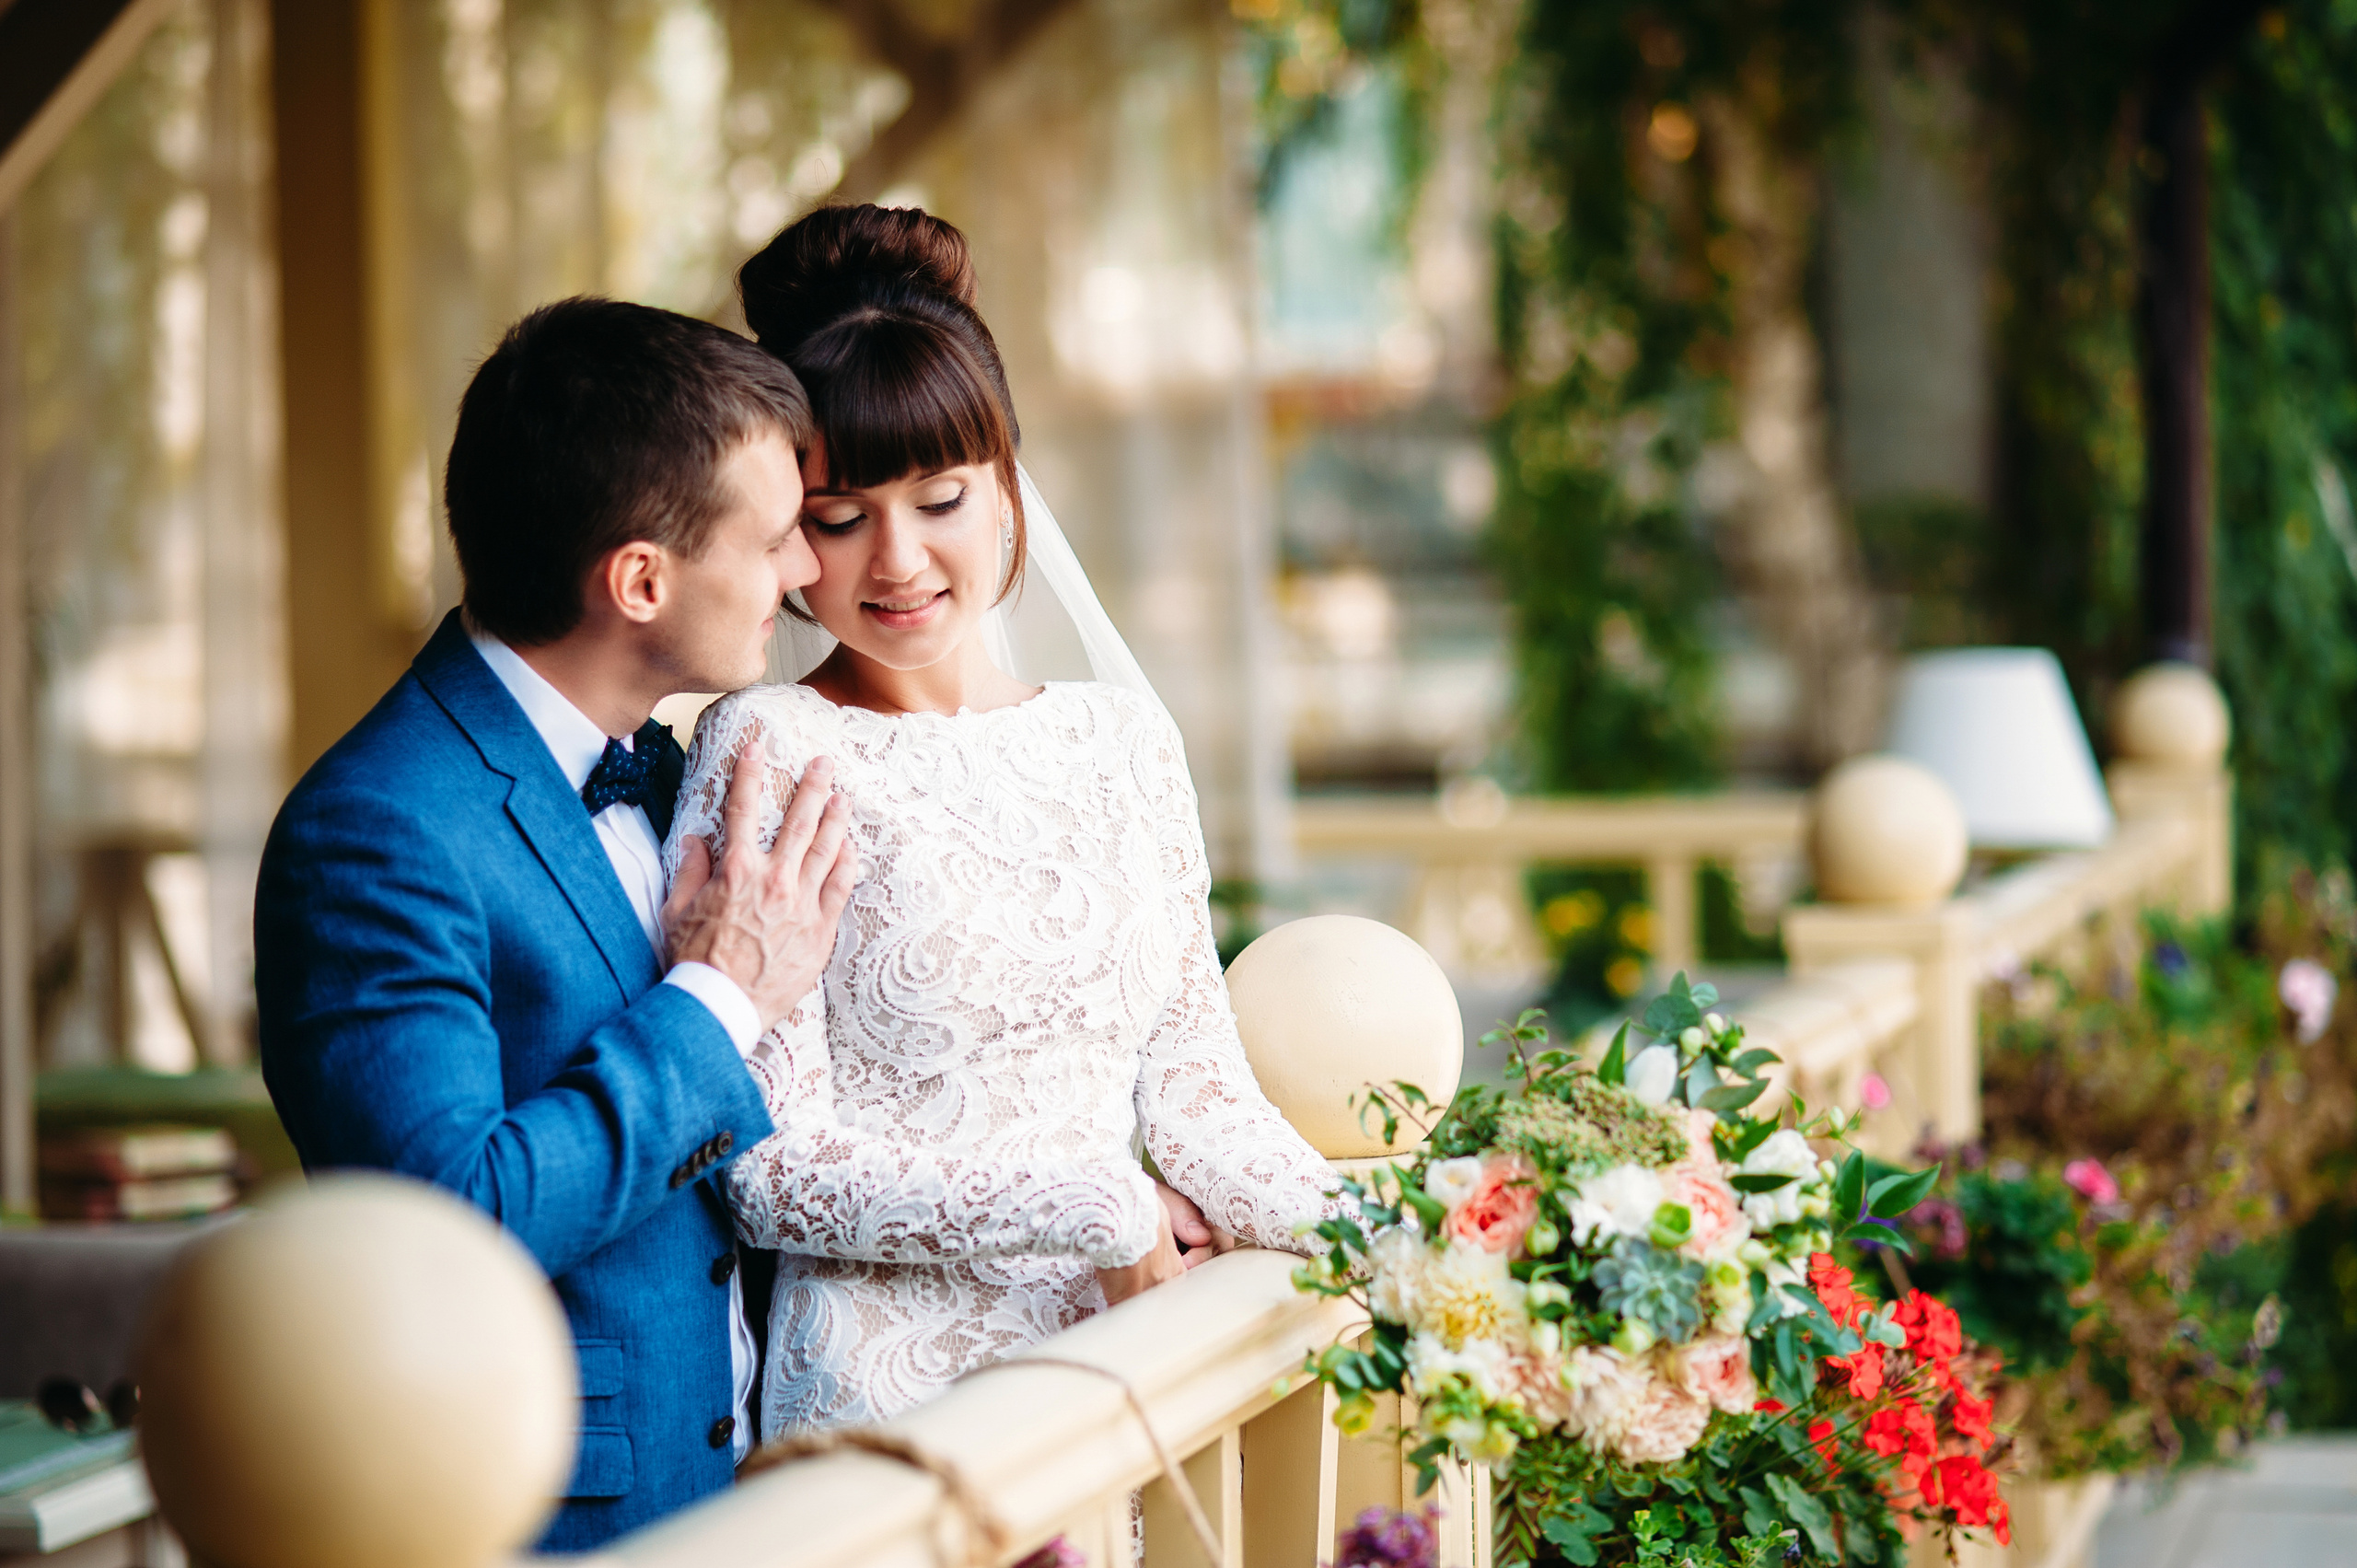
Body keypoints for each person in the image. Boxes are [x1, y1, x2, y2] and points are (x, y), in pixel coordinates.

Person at [668, 205, 1339, 1440]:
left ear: (1009, 483)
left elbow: (1200, 1095)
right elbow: (765, 1170)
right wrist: (1102, 1207)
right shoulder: (771, 749)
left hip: (1133, 1383)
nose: (899, 560)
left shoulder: (1123, 742)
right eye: (840, 515)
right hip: (896, 1416)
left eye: (941, 497)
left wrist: (1426, 1245)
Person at [252, 297, 860, 1551]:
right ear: (640, 579)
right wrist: (719, 1002)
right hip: (549, 1509)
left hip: (767, 1474)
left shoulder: (690, 764)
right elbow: (447, 1222)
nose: (807, 575)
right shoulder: (376, 831)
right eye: (777, 539)